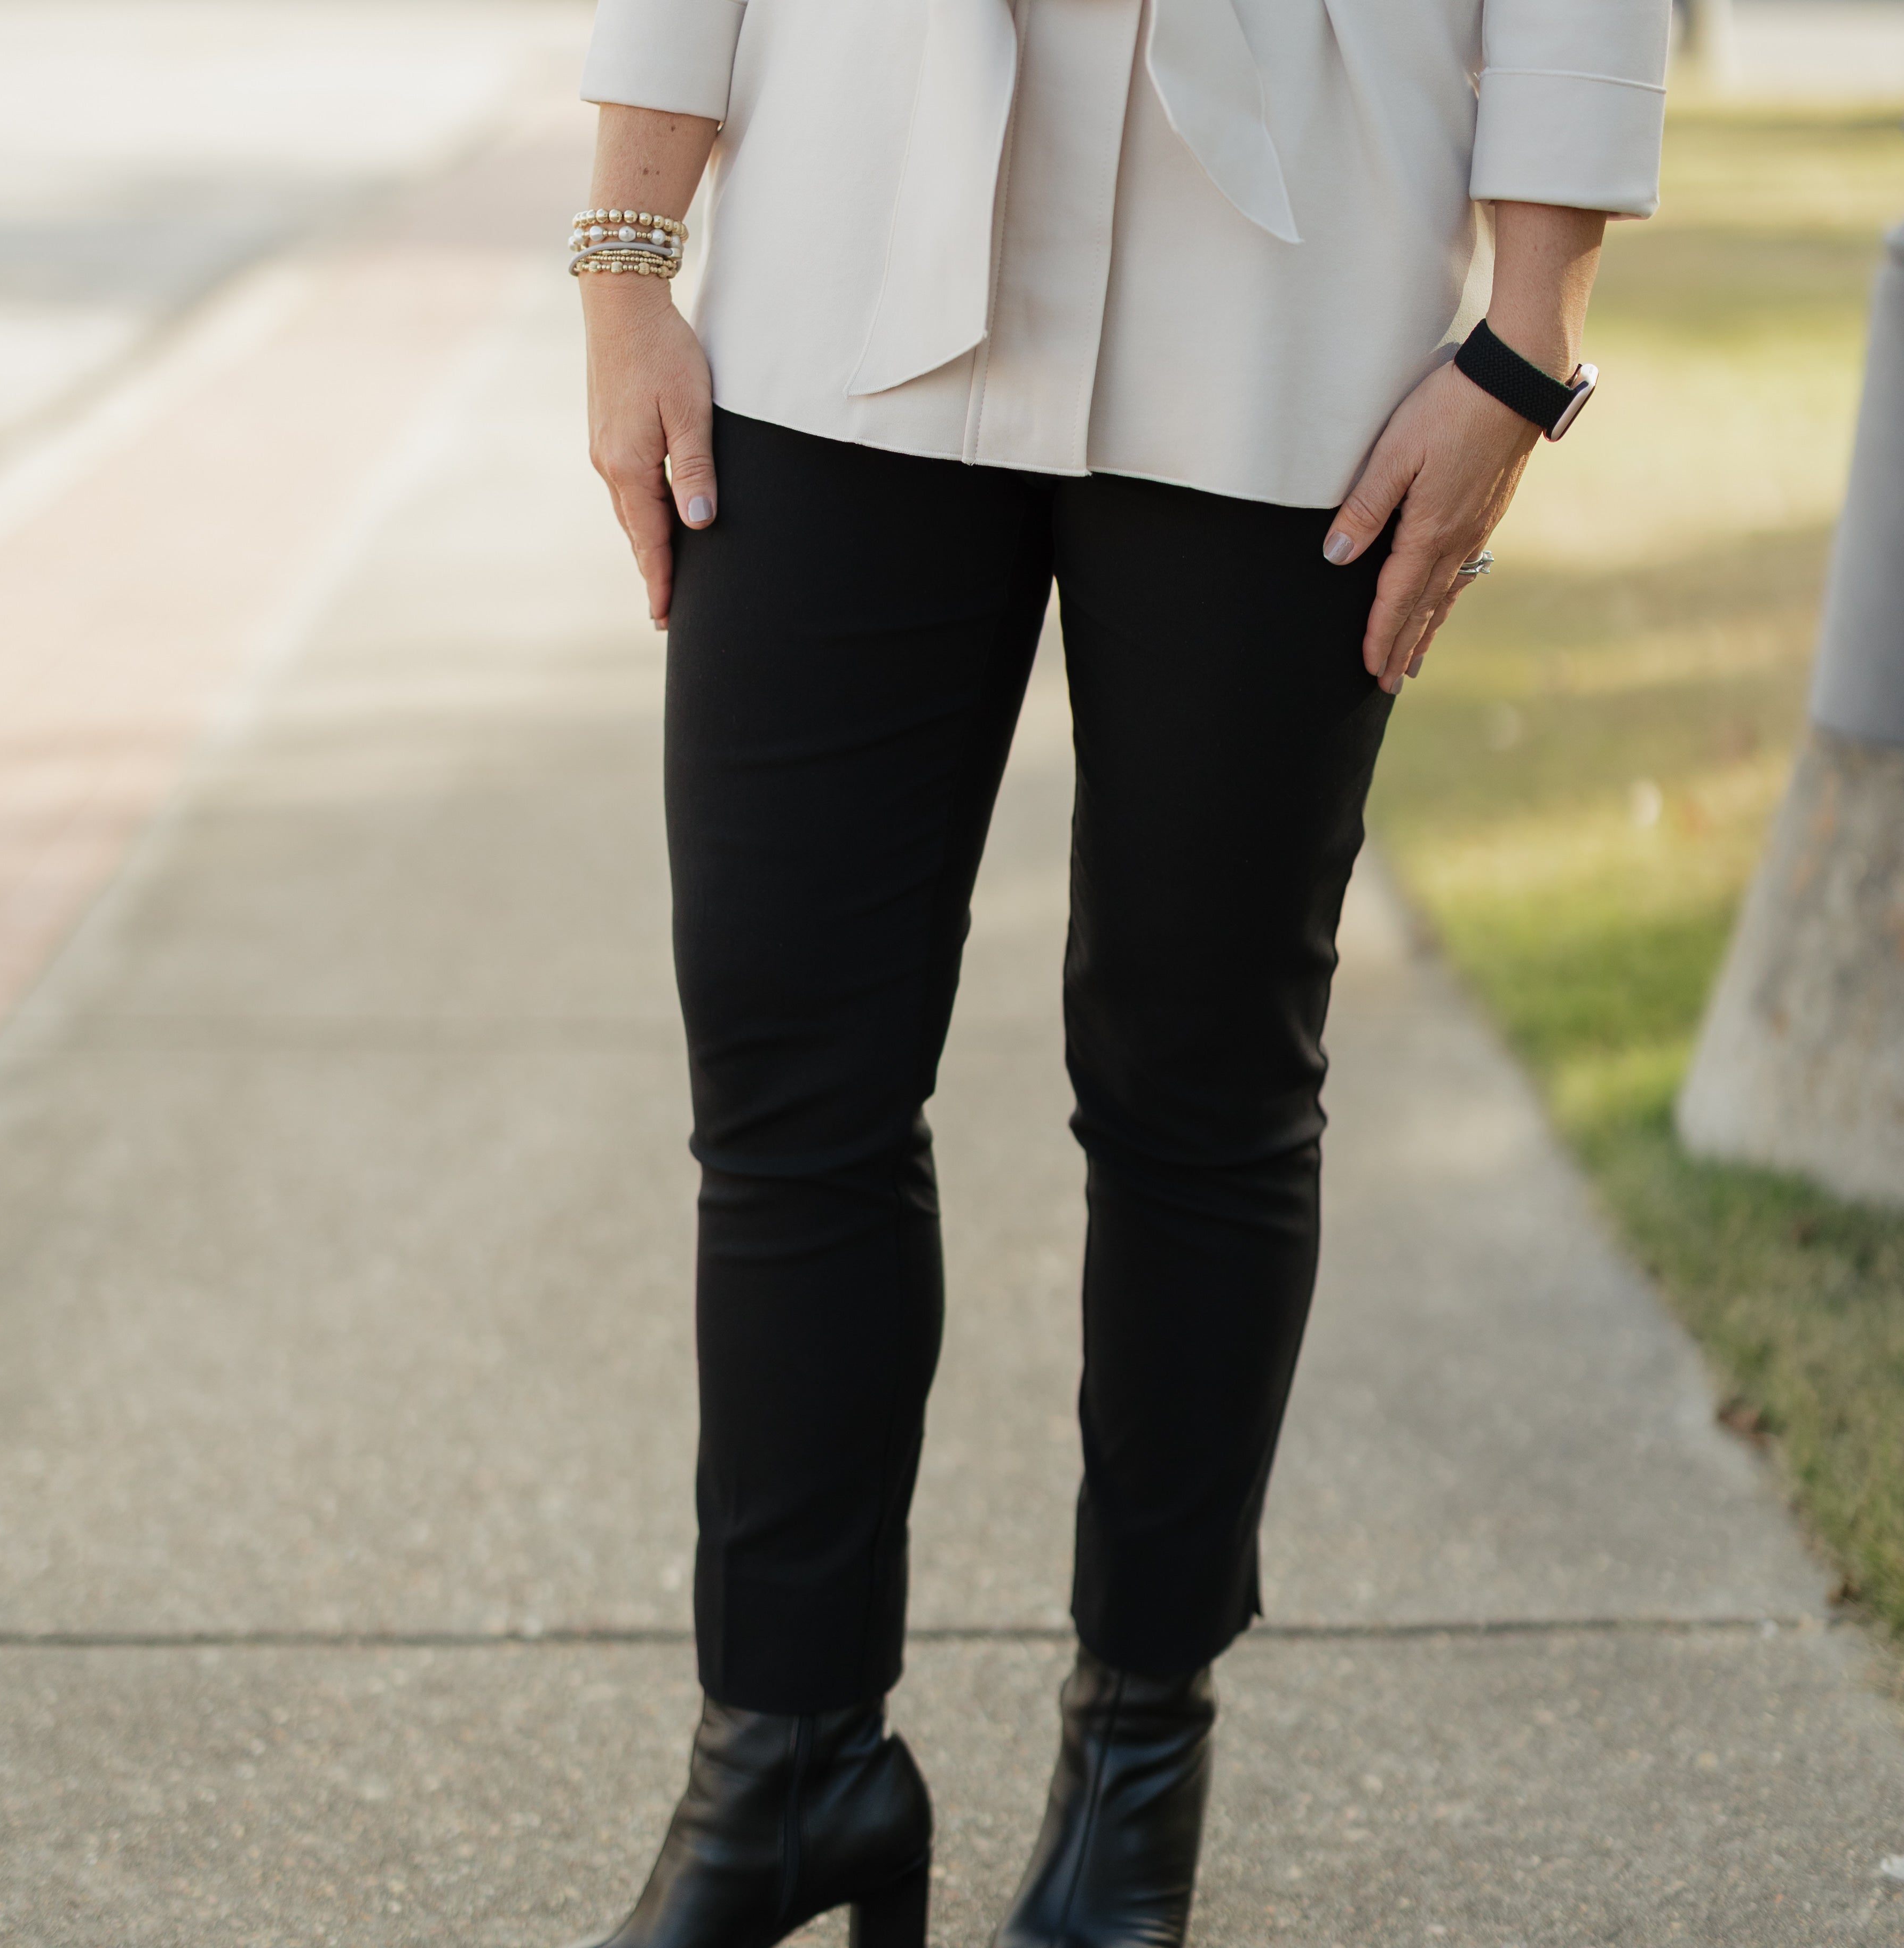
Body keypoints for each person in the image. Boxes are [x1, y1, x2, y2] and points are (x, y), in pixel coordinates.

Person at [563, 1, 1666, 1943]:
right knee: (787, 1070)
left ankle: (1136, 1777)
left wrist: (1531, 332)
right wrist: (627, 260)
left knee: (1202, 1080)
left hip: (1289, 284)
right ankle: (789, 1766)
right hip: (843, 256)